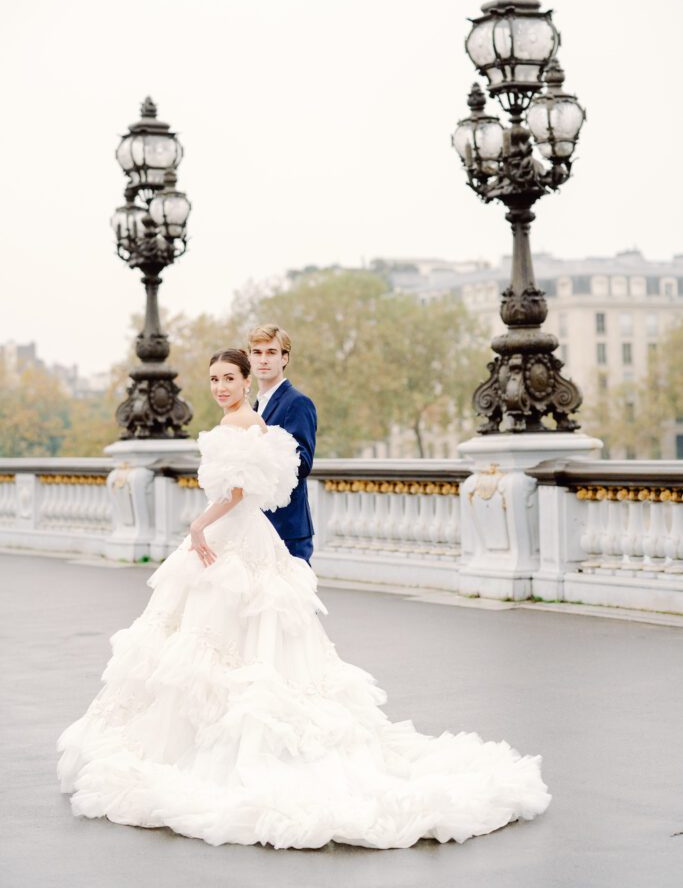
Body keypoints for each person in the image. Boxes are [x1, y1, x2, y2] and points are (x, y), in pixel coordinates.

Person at [57, 348, 550, 850]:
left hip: (234, 531)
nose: (221, 386)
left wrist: (200, 524)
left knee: (224, 635)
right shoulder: (241, 422)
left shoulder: (244, 424)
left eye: (229, 378)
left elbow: (238, 490)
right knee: (213, 635)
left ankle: (210, 743)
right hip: (240, 533)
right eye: (214, 379)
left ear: (248, 381)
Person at [248, 324, 316, 564]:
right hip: (258, 526)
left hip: (288, 529)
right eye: (257, 352)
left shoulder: (298, 402)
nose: (263, 359)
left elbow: (303, 464)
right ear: (249, 357)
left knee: (295, 600)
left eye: (271, 352)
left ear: (284, 357)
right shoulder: (255, 406)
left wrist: (260, 454)